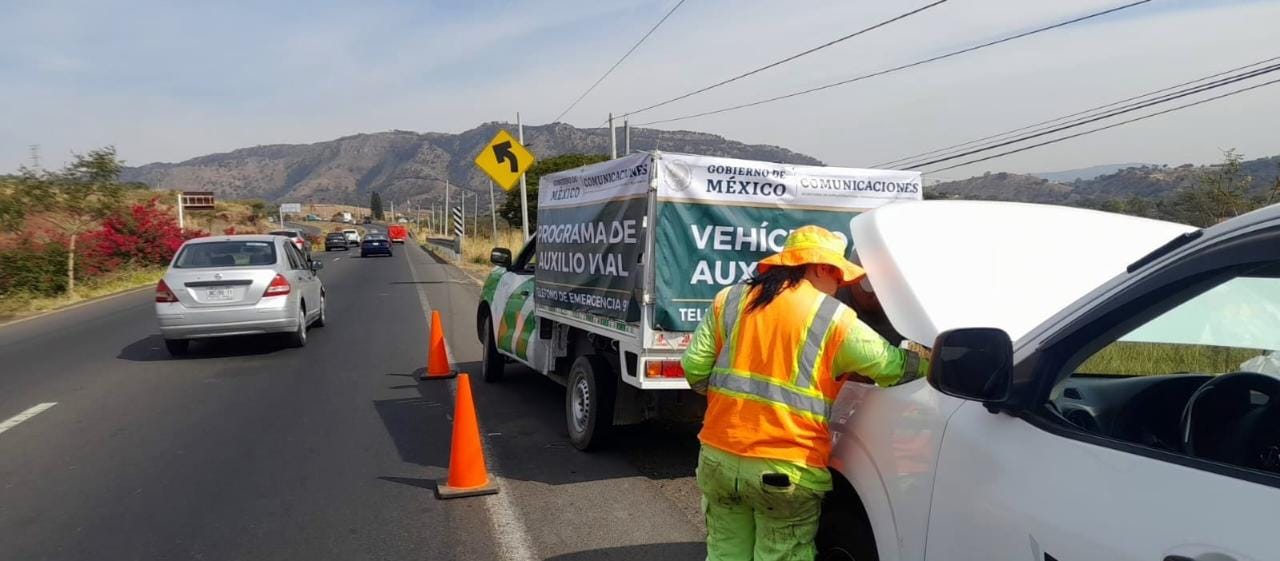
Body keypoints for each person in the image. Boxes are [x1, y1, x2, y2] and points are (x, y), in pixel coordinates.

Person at [681, 225, 929, 561]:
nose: (839, 286)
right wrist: (931, 362)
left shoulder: (731, 299)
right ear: (819, 267)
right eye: (838, 276)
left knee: (726, 552)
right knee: (781, 553)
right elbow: (890, 365)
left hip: (718, 459)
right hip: (787, 468)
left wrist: (724, 402)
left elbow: (694, 367)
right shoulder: (833, 318)